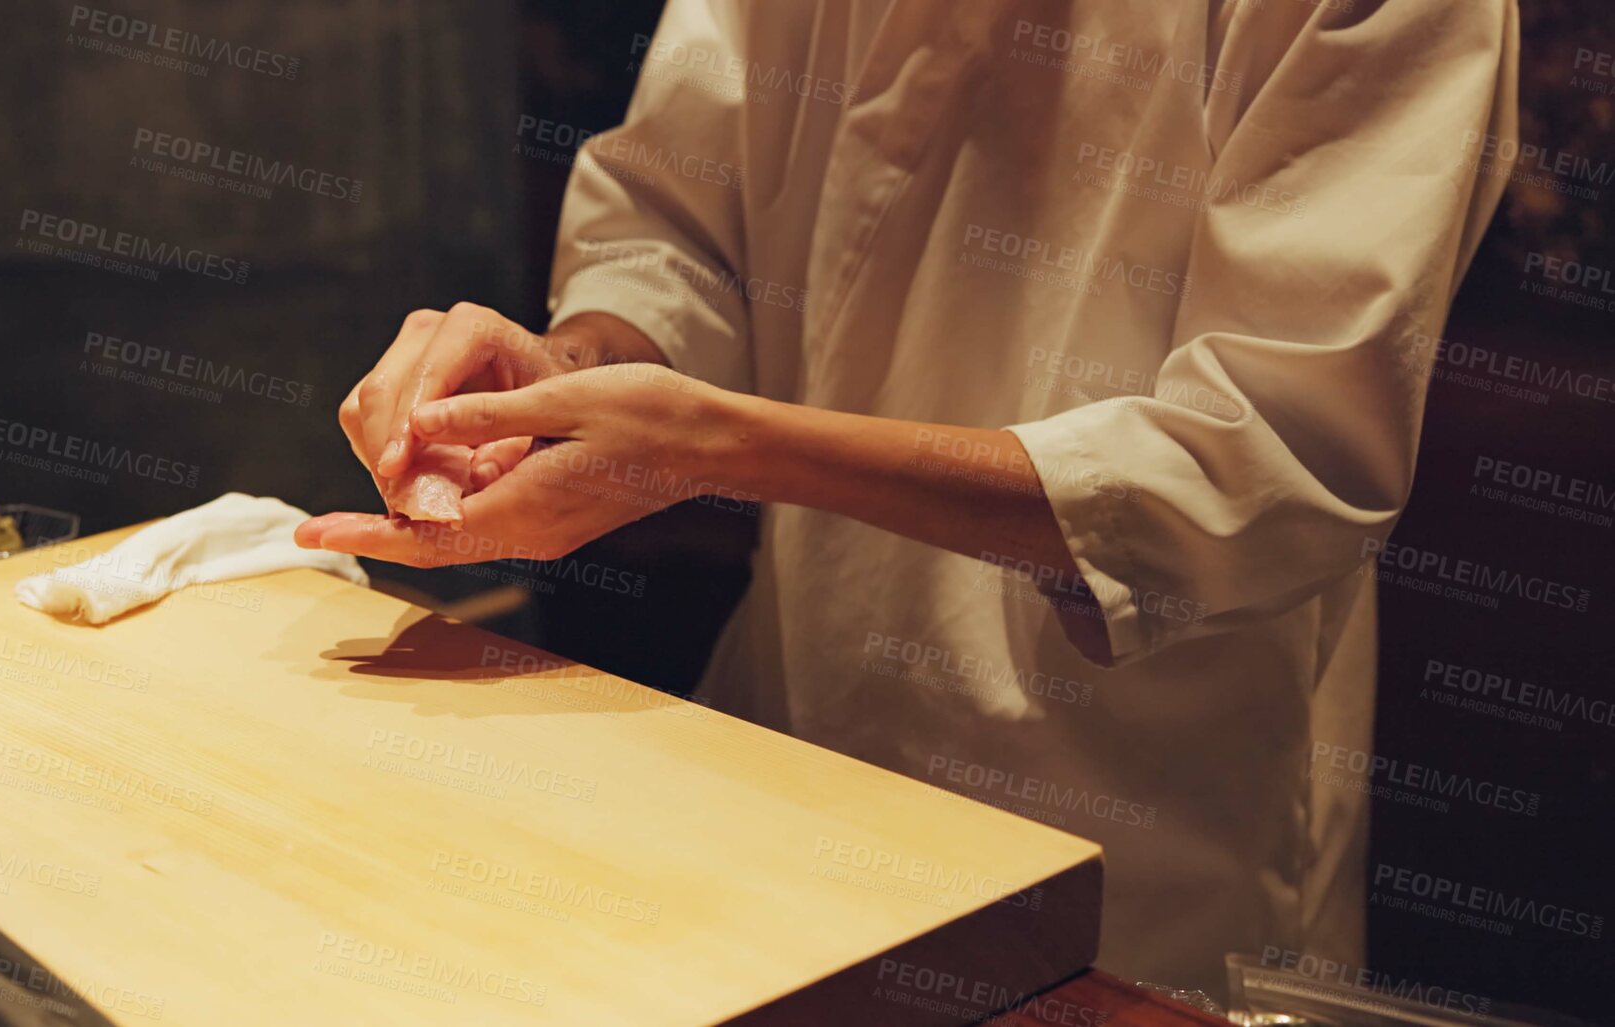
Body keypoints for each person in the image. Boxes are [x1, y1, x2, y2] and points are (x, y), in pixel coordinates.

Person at [298, 0, 1518, 998]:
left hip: (1144, 843)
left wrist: (723, 444)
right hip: (787, 743)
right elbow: (678, 218)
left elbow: (1263, 462)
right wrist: (571, 370)